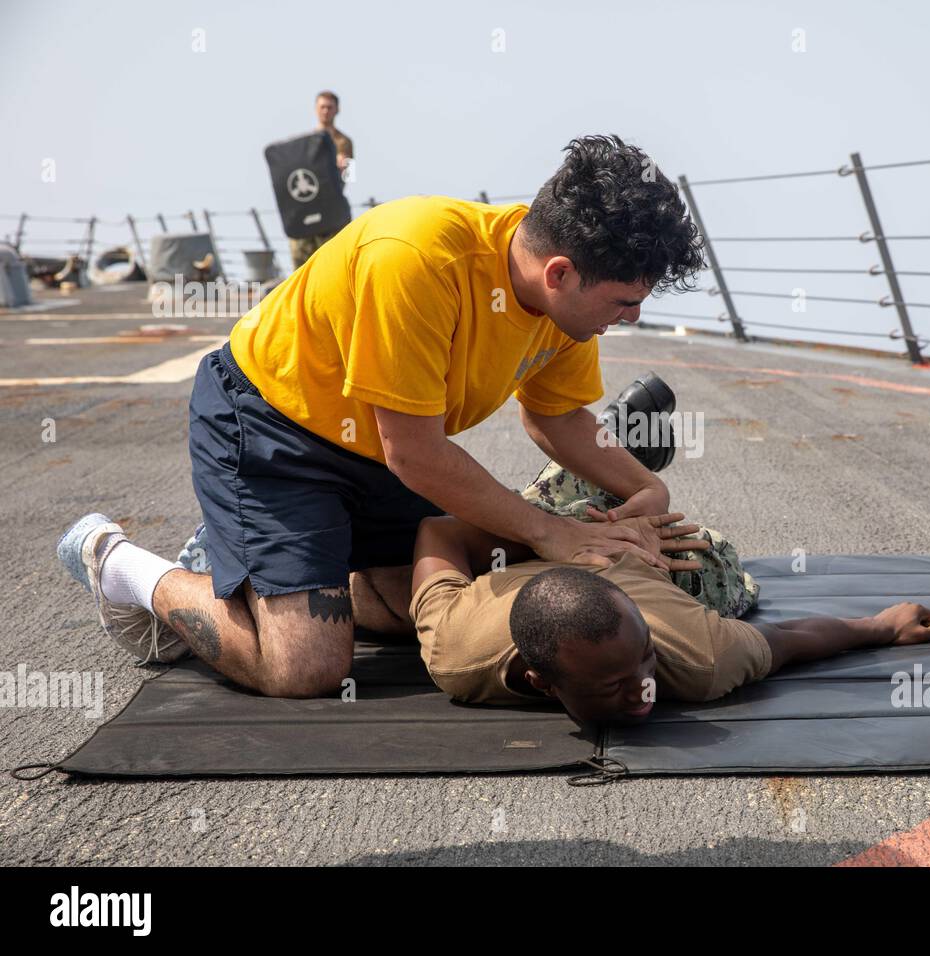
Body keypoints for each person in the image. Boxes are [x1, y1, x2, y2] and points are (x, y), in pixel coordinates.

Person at [58, 134, 707, 699]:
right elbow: (417, 456)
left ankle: (265, 564)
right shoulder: (419, 259)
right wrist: (551, 532)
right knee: (306, 667)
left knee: (431, 606)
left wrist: (645, 487)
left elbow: (558, 415)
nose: (633, 318)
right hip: (269, 427)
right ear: (561, 272)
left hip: (376, 446)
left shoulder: (560, 303)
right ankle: (121, 563)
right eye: (625, 302)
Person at [407, 467, 930, 724]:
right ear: (541, 684)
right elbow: (439, 527)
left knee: (720, 564)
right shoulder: (458, 652)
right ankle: (585, 484)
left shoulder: (696, 652)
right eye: (617, 684)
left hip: (651, 557)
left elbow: (787, 639)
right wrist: (535, 532)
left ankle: (609, 476)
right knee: (382, 590)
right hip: (538, 554)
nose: (643, 690)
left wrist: (882, 626)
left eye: (646, 661)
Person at [288, 90, 355, 269]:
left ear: (337, 110)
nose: (326, 111)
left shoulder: (344, 142)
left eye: (329, 107)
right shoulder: (305, 143)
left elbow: (350, 176)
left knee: (335, 261)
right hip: (308, 206)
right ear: (316, 110)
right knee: (301, 258)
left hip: (332, 207)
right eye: (322, 107)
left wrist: (341, 168)